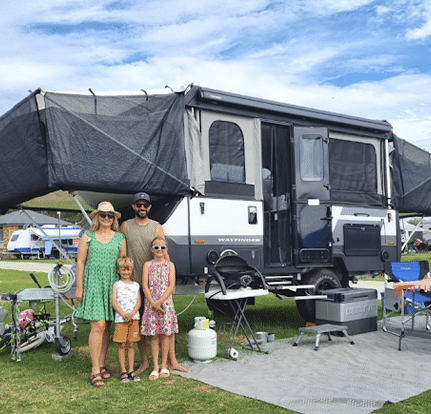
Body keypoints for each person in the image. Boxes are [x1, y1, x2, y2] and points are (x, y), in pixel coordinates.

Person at [120, 192, 190, 374]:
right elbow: (123, 256)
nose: (142, 208)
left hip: (158, 287)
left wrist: (170, 280)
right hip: (136, 284)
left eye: (145, 205)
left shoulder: (156, 227)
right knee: (143, 326)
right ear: (134, 207)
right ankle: (145, 363)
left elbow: (164, 253)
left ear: (149, 207)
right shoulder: (125, 226)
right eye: (138, 205)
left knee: (167, 325)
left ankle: (172, 361)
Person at [75, 201, 127, 387]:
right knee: (98, 326)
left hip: (111, 285)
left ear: (114, 218)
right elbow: (80, 263)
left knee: (106, 327)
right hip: (94, 285)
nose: (106, 218)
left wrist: (123, 290)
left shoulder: (120, 238)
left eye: (110, 216)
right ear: (97, 216)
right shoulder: (87, 236)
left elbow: (123, 265)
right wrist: (79, 288)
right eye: (103, 215)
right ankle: (95, 370)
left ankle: (102, 364)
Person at [141, 236, 178, 379]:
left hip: (165, 304)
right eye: (156, 247)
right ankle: (155, 367)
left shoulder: (170, 265)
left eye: (162, 247)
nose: (159, 250)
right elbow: (145, 284)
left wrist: (160, 301)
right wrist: (153, 303)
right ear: (152, 250)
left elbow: (171, 285)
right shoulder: (147, 265)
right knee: (154, 335)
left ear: (166, 249)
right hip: (151, 304)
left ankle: (164, 366)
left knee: (165, 335)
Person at [112, 256, 141, 383]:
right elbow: (114, 302)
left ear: (132, 270)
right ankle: (123, 370)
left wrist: (132, 313)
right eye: (123, 270)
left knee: (131, 344)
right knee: (121, 344)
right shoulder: (117, 285)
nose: (126, 272)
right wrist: (123, 314)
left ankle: (131, 370)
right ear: (118, 270)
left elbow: (139, 301)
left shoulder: (136, 285)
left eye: (128, 270)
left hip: (133, 319)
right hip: (120, 319)